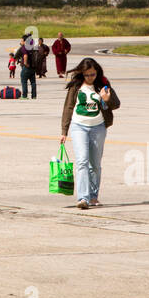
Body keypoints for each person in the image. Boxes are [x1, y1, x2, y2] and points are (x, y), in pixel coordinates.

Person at [59, 58, 120, 209]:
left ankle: (93, 197)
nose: (90, 77)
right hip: (79, 127)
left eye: (92, 74)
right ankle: (83, 198)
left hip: (98, 127)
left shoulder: (103, 85)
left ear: (97, 72)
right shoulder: (76, 86)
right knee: (82, 162)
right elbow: (68, 107)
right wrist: (64, 131)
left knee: (95, 165)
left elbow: (116, 104)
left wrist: (107, 99)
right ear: (82, 74)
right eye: (87, 75)